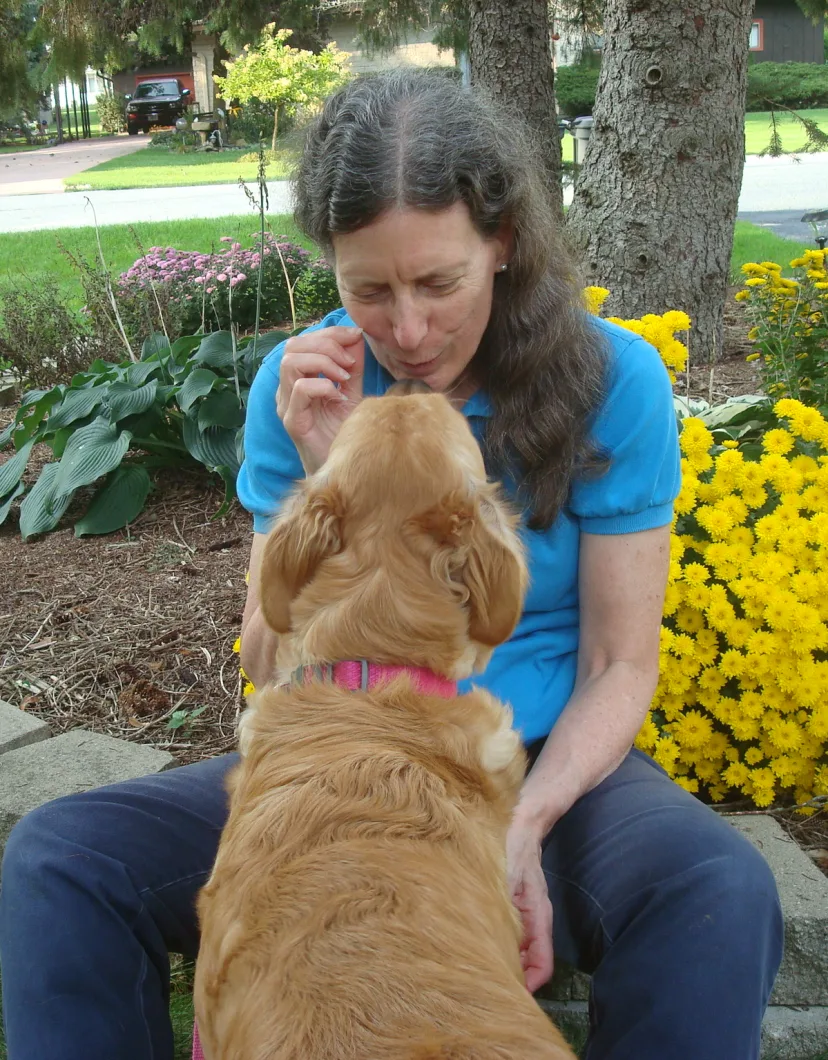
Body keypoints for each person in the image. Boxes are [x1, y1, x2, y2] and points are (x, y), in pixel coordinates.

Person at [0, 70, 781, 1060]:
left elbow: (617, 665)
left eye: (438, 284)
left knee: (715, 889)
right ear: (329, 262)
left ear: (500, 244)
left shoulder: (611, 377)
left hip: (546, 765)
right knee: (64, 856)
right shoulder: (305, 387)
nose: (406, 333)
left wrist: (522, 825)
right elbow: (267, 655)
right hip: (344, 752)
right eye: (368, 289)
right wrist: (328, 481)